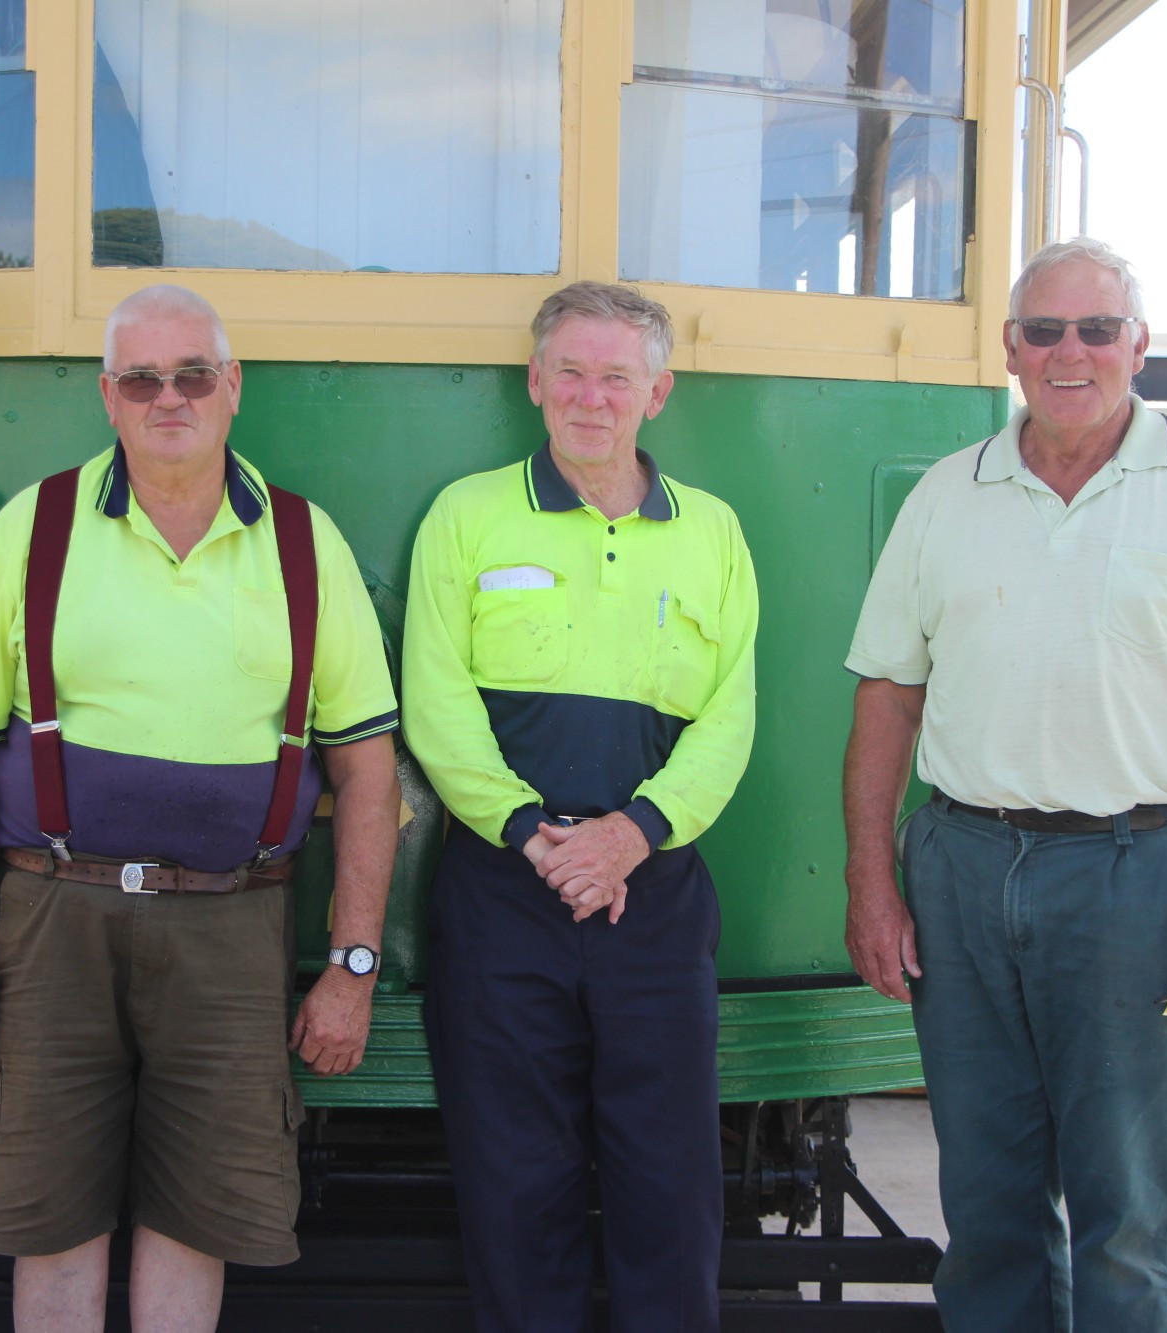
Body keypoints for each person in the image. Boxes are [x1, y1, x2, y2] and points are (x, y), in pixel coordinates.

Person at [842, 237, 1167, 1330]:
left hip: (1135, 875)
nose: (1069, 351)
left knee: (1129, 1213)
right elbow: (884, 699)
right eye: (1042, 329)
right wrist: (872, 877)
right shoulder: (943, 495)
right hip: (958, 868)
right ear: (1008, 348)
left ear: (1137, 345)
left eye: (1094, 329)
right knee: (989, 1208)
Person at [0, 284, 400, 1332]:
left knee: (198, 1214)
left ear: (232, 389)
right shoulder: (31, 527)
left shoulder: (305, 544)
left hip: (235, 925)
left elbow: (369, 771)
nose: (166, 397)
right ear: (108, 396)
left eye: (192, 375)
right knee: (48, 1217)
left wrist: (350, 969)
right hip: (49, 921)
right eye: (141, 378)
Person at [402, 281, 758, 1331]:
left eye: (615, 376)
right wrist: (531, 833)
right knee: (514, 1188)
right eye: (569, 372)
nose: (589, 398)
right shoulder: (465, 515)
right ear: (533, 383)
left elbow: (729, 716)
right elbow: (435, 702)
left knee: (670, 1186)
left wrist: (629, 835)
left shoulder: (715, 533)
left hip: (652, 894)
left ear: (658, 390)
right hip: (500, 892)